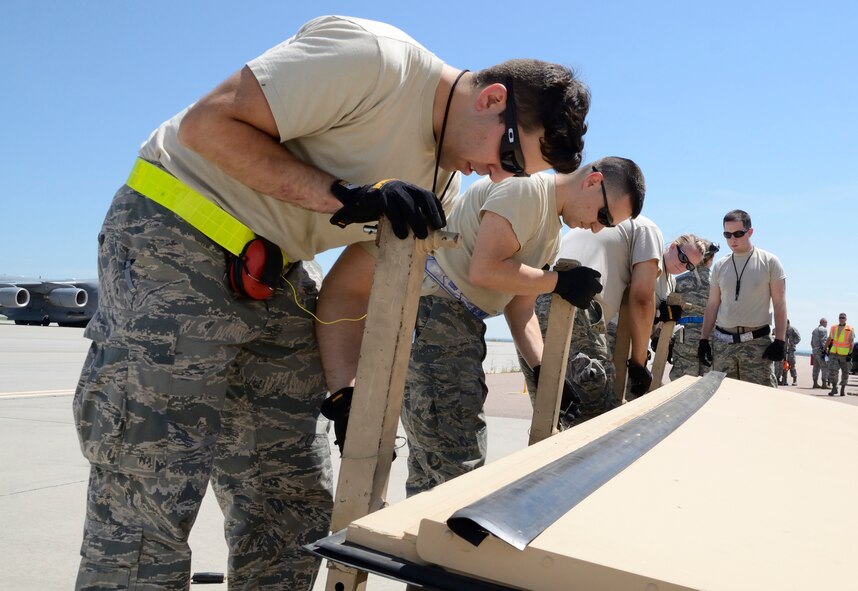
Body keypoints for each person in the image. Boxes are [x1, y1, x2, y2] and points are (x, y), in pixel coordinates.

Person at [71, 15, 592, 590]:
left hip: (278, 271)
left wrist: (345, 390)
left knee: (290, 493)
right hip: (179, 235)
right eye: (511, 159)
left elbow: (349, 287)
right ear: (493, 99)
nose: (498, 175)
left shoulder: (440, 182)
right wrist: (342, 196)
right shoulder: (375, 59)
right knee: (152, 481)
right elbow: (206, 126)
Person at [398, 157, 644, 496]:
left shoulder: (550, 231)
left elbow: (520, 307)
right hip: (440, 314)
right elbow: (484, 269)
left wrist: (546, 373)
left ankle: (410, 541)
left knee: (433, 464)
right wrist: (558, 282)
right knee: (458, 460)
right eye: (603, 215)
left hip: (457, 320)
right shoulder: (527, 189)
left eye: (608, 225)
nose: (597, 227)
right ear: (592, 181)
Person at [520, 219, 707, 423]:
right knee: (594, 418)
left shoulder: (668, 280)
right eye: (682, 257)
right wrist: (638, 363)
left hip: (535, 303)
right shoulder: (648, 234)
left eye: (689, 265)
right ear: (672, 246)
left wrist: (661, 320)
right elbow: (641, 300)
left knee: (552, 413)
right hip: (581, 313)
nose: (682, 265)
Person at [698, 210, 787, 387]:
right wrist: (703, 340)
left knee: (760, 401)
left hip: (756, 345)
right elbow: (712, 305)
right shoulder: (720, 265)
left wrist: (780, 340)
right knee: (724, 401)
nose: (733, 239)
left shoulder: (769, 261)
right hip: (723, 345)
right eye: (727, 234)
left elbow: (780, 303)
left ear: (750, 232)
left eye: (738, 234)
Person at [668, 242, 720, 380]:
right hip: (711, 338)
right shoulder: (719, 284)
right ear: (711, 258)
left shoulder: (678, 281)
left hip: (684, 337)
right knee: (708, 386)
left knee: (681, 385)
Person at [826, 312, 854, 396]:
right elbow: (829, 339)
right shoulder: (833, 327)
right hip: (834, 353)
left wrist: (850, 354)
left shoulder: (850, 328)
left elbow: (851, 342)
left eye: (843, 317)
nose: (841, 319)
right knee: (832, 371)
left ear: (846, 319)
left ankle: (842, 389)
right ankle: (834, 388)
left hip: (845, 355)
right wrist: (824, 348)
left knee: (845, 373)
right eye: (840, 317)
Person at [777, 320, 801, 385]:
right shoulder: (782, 330)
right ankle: (784, 380)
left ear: (788, 323)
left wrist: (792, 343)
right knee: (784, 365)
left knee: (792, 364)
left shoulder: (792, 329)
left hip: (791, 350)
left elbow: (798, 338)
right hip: (784, 350)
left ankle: (794, 380)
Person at [811, 317, 830, 388]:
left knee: (816, 367)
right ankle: (824, 384)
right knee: (825, 367)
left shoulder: (814, 330)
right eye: (826, 323)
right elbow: (824, 341)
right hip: (820, 351)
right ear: (823, 322)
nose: (827, 324)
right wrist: (826, 350)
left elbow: (811, 342)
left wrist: (814, 349)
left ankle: (815, 383)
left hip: (815, 351)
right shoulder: (824, 330)